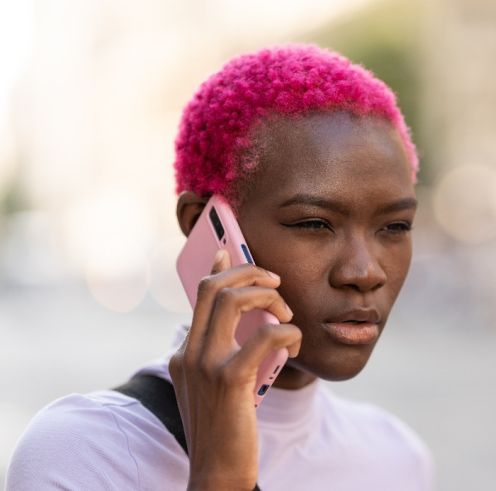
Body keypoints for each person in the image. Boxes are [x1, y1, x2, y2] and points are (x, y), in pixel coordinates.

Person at [6, 44, 432, 490]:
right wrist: (220, 474)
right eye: (313, 223)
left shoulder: (396, 456)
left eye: (395, 226)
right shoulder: (84, 453)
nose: (365, 273)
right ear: (202, 228)